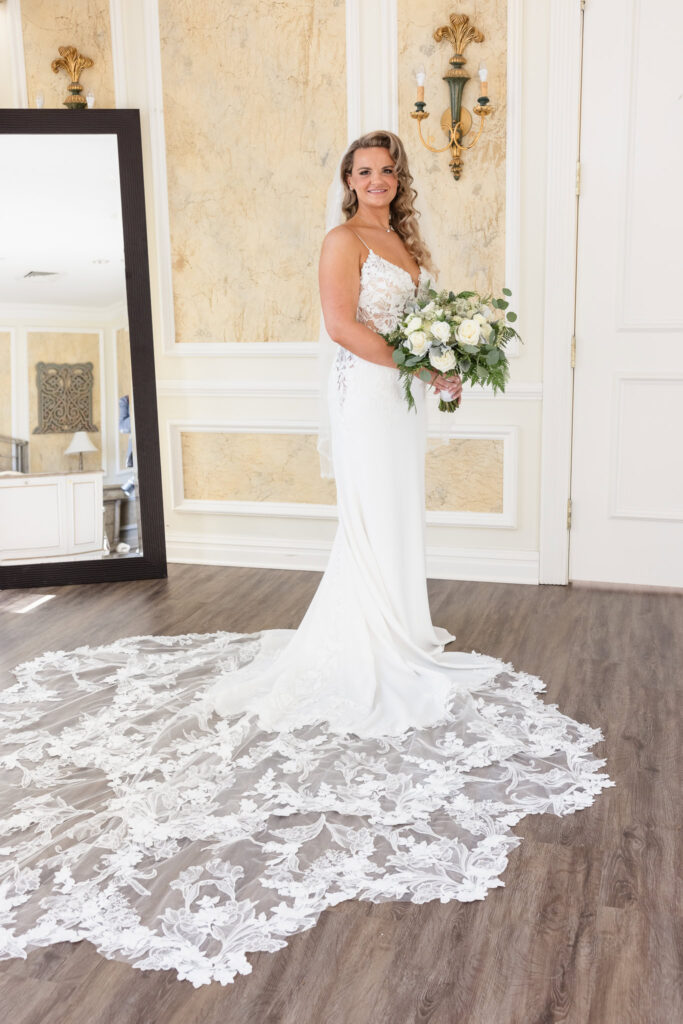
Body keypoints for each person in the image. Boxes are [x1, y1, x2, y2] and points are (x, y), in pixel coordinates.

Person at [0, 131, 615, 988]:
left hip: (399, 394)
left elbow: (412, 318)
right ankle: (368, 638)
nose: (373, 181)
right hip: (367, 394)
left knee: (400, 511)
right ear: (347, 182)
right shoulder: (341, 242)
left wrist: (441, 364)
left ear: (398, 179)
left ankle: (398, 621)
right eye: (361, 171)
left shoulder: (404, 241)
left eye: (385, 170)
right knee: (369, 511)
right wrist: (421, 359)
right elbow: (341, 326)